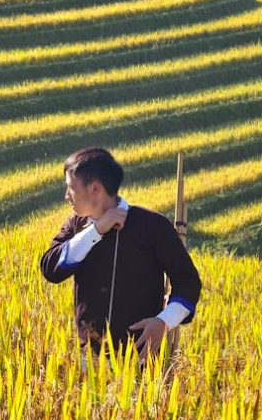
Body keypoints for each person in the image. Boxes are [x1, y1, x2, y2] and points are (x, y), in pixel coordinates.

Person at [39, 147, 201, 373]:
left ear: (94, 188)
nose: (67, 196)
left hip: (142, 360)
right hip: (89, 362)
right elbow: (50, 268)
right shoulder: (77, 225)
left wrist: (164, 322)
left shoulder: (152, 226)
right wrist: (96, 230)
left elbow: (188, 282)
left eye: (70, 187)